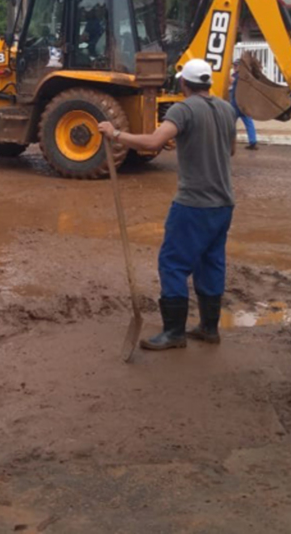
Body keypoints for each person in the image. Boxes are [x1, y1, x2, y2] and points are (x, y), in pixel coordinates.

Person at [97, 58, 237, 350]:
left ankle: (174, 332)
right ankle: (209, 328)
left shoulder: (183, 109)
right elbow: (231, 149)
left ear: (183, 83)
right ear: (208, 83)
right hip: (223, 203)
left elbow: (152, 143)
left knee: (172, 263)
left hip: (194, 203)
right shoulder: (226, 109)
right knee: (211, 262)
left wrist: (116, 134)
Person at [229, 59, 258, 150]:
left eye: (235, 66)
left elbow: (231, 81)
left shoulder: (239, 76)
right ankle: (253, 141)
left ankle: (228, 142)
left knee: (230, 124)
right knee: (249, 123)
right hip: (244, 104)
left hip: (236, 104)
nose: (234, 68)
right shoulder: (246, 76)